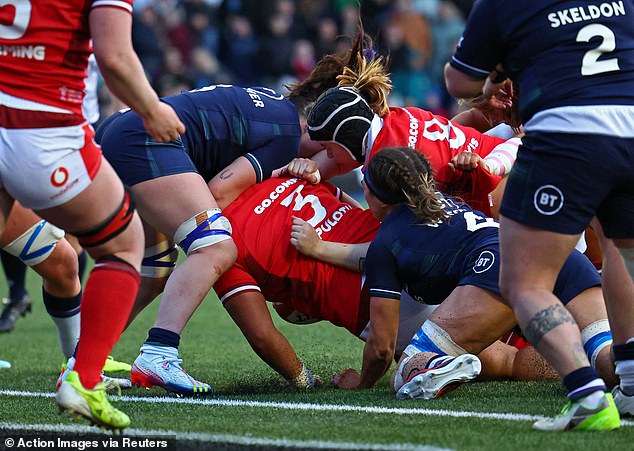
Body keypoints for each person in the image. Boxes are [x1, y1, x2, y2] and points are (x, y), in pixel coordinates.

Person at [96, 45, 352, 396]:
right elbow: (219, 192)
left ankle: (84, 360)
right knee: (215, 245)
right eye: (333, 153)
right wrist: (276, 174)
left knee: (153, 271)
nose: (328, 166)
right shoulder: (286, 134)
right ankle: (159, 352)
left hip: (130, 131)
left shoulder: (273, 105)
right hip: (149, 141)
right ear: (320, 130)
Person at [212, 170, 613, 389]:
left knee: (422, 368)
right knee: (601, 347)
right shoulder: (290, 172)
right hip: (543, 251)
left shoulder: (218, 240)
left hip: (451, 285)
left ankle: (438, 361)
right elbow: (351, 218)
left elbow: (380, 346)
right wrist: (319, 252)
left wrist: (309, 380)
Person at [443, 0, 634, 431]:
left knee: (523, 282)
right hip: (630, 124)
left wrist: (495, 72)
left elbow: (459, 80)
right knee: (623, 254)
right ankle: (632, 385)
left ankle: (588, 397)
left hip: (567, 134)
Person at [0, 0, 185, 431]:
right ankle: (83, 379)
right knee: (124, 245)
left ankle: (76, 361)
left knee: (63, 260)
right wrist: (152, 110)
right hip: (41, 132)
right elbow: (115, 56)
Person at [298, 30, 521, 217]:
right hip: (506, 170)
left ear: (347, 140)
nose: (327, 156)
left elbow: (380, 235)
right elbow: (342, 159)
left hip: (503, 189)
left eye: (328, 149)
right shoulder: (394, 116)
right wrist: (314, 173)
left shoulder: (385, 164)